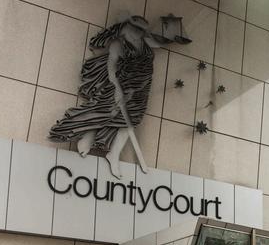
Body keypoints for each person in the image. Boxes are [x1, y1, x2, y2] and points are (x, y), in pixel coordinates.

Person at [49, 15, 190, 177]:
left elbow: (160, 42)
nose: (139, 32)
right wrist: (117, 89)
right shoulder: (118, 44)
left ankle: (114, 154)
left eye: (142, 30)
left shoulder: (145, 42)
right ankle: (86, 139)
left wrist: (172, 33)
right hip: (121, 85)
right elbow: (111, 69)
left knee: (132, 120)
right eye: (136, 29)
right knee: (106, 112)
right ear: (128, 26)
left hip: (141, 88)